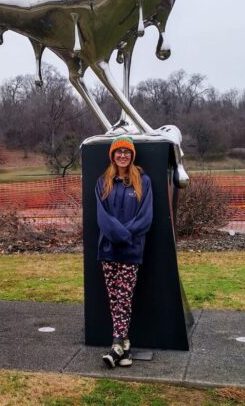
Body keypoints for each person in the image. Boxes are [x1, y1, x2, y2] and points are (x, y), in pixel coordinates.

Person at [95, 135, 153, 368]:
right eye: (118, 152)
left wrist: (125, 236)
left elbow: (145, 217)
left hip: (131, 250)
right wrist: (118, 235)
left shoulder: (143, 182)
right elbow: (102, 217)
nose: (122, 155)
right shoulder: (102, 182)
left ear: (132, 156)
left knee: (124, 298)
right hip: (108, 250)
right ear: (112, 156)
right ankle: (122, 348)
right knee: (114, 298)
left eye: (126, 152)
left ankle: (116, 344)